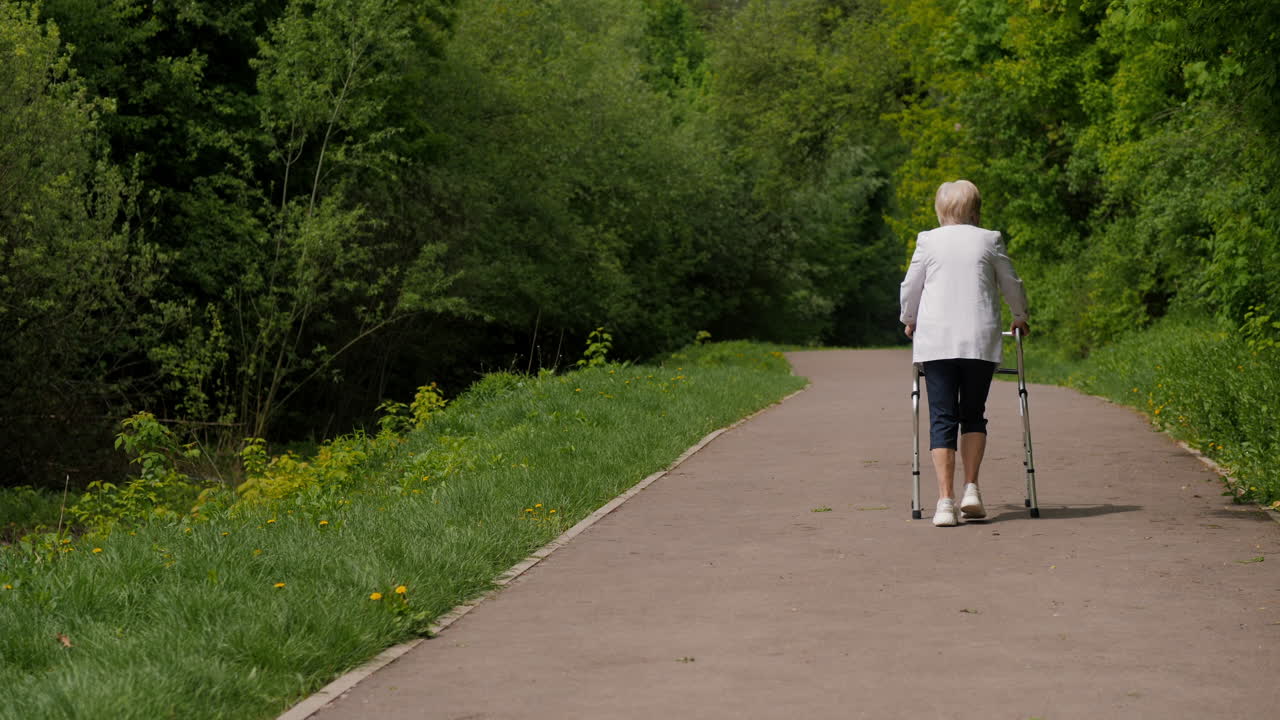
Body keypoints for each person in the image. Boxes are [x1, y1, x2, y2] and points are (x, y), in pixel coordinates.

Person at [899, 180, 1030, 527]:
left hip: (937, 340)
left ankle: (945, 502)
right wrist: (1020, 316)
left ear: (941, 211)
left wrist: (909, 319)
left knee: (942, 417)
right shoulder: (990, 238)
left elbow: (911, 285)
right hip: (979, 340)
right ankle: (971, 489)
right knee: (973, 413)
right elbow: (1010, 283)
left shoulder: (927, 240)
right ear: (976, 211)